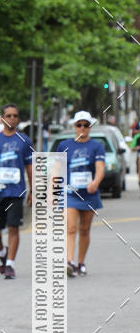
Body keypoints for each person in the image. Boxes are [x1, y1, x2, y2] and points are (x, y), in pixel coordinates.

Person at [0, 103, 33, 280]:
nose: (12, 118)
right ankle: (2, 251)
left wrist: (33, 190)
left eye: (15, 116)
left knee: (13, 227)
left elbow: (30, 166)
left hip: (16, 192)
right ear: (2, 118)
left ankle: (10, 264)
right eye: (9, 115)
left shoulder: (24, 141)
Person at [57, 110, 105, 276]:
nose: (82, 128)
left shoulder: (97, 146)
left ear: (90, 126)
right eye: (79, 125)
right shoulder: (64, 146)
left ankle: (81, 262)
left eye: (86, 125)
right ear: (74, 126)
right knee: (70, 228)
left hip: (89, 194)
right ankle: (69, 262)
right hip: (70, 194)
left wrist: (95, 182)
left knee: (84, 229)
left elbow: (100, 168)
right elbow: (57, 170)